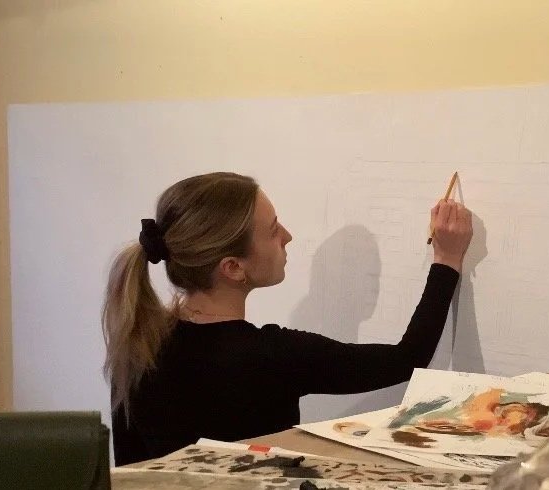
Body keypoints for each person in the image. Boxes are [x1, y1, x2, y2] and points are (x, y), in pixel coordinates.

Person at [103, 172, 473, 465]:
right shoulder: (271, 356)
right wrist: (447, 261)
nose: (288, 236)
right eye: (273, 230)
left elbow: (131, 472)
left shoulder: (138, 344)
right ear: (233, 267)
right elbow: (407, 359)